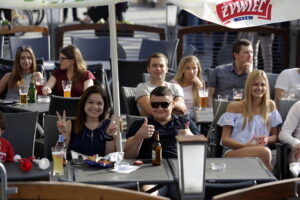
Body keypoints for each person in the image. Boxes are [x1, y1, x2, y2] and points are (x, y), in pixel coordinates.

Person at [217, 70, 282, 170]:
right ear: (249, 86)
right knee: (265, 153)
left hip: (260, 152)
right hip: (234, 151)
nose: (259, 88)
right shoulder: (234, 106)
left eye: (263, 85)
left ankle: (266, 184)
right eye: (255, 84)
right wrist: (246, 145)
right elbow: (225, 140)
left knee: (264, 153)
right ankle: (271, 184)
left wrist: (267, 139)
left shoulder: (270, 105)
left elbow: (275, 136)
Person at [125, 86, 200, 159]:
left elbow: (201, 154)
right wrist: (138, 136)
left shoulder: (186, 124)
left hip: (178, 166)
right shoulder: (139, 124)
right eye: (155, 105)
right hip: (147, 167)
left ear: (173, 104)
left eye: (164, 105)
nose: (159, 108)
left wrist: (191, 140)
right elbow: (128, 156)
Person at [56, 85, 117, 156]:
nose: (95, 107)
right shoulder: (70, 124)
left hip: (100, 167)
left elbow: (111, 158)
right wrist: (63, 135)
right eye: (90, 102)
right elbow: (58, 155)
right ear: (83, 103)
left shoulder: (110, 126)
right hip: (75, 166)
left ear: (104, 106)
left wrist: (109, 136)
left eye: (99, 103)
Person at [207, 38, 253, 106]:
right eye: (246, 52)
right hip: (221, 111)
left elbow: (258, 98)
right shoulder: (219, 71)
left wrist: (250, 75)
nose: (250, 56)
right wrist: (212, 113)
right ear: (236, 55)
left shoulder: (255, 75)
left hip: (243, 112)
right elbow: (209, 96)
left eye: (251, 52)